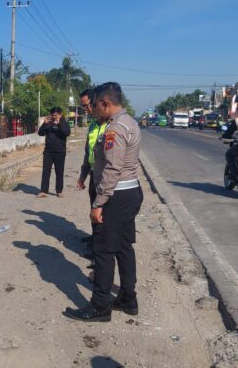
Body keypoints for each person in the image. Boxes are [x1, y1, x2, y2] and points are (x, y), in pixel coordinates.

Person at [64, 82, 143, 322]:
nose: (93, 110)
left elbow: (112, 169)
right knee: (123, 247)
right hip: (130, 192)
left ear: (106, 103)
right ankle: (128, 299)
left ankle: (100, 306)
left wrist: (98, 203)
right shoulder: (129, 122)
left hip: (116, 196)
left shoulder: (115, 129)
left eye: (96, 105)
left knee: (104, 251)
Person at [77, 89, 108, 249]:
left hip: (105, 178)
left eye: (87, 105)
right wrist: (83, 175)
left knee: (102, 214)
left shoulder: (110, 125)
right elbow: (88, 152)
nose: (86, 110)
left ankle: (100, 251)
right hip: (92, 175)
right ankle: (95, 240)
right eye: (83, 107)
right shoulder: (93, 125)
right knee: (93, 209)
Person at [37, 107, 71, 198]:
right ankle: (44, 191)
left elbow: (67, 132)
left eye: (55, 115)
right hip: (48, 151)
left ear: (60, 114)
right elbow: (40, 133)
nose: (54, 117)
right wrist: (44, 124)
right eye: (52, 115)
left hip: (60, 151)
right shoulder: (48, 123)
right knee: (46, 171)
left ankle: (59, 191)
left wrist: (59, 123)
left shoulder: (64, 123)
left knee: (59, 171)